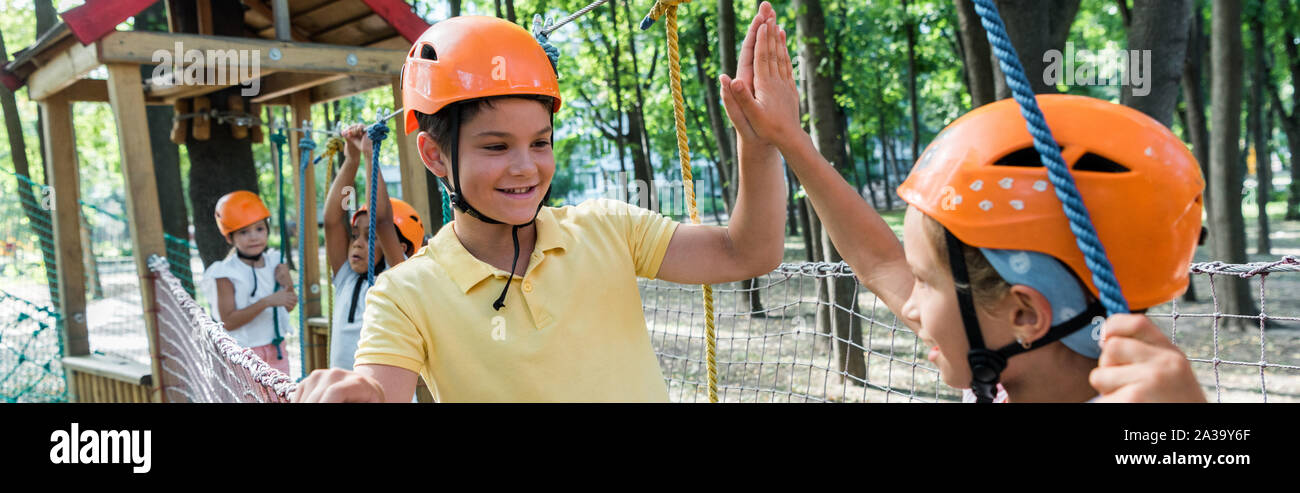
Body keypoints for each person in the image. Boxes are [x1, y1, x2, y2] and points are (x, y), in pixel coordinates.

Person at [293, 7, 789, 402]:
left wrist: (760, 145)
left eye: (540, 142)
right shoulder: (405, 294)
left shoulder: (608, 229)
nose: (526, 167)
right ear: (434, 155)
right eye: (495, 146)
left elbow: (746, 252)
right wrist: (363, 396)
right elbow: (382, 389)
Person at [717, 17, 1207, 402]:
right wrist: (789, 139)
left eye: (925, 282)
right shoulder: (1000, 366)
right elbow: (880, 263)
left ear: (1024, 313)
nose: (908, 304)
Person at [322, 123, 426, 371]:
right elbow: (333, 219)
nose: (357, 242)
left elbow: (381, 221)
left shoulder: (397, 277)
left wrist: (371, 157)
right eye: (355, 234)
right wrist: (351, 161)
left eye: (370, 237)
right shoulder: (346, 277)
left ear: (400, 247)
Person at [203, 190, 296, 374]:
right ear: (230, 237)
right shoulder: (226, 273)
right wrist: (266, 302)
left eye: (259, 229)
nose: (254, 237)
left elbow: (289, 305)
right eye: (244, 232)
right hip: (243, 354)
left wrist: (288, 284)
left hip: (276, 350)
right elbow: (228, 321)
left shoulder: (274, 261)